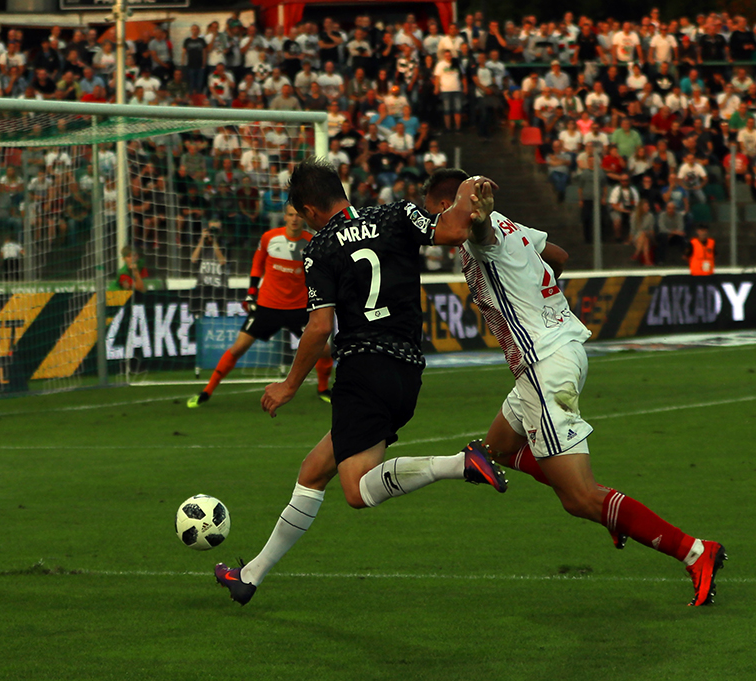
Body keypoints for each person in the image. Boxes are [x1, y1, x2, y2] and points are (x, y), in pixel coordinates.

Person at [422, 168, 726, 607]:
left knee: (580, 497)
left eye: (434, 213)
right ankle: (613, 511)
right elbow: (558, 256)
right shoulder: (512, 225)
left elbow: (481, 233)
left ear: (449, 205)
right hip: (559, 351)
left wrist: (478, 219)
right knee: (498, 449)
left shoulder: (479, 232)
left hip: (544, 365)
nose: (432, 224)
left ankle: (695, 551)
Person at [215, 159, 507, 605]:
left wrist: (289, 385)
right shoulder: (396, 213)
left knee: (356, 490)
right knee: (314, 471)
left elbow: (319, 327)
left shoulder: (319, 248)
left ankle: (459, 464)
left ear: (310, 210)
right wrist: (469, 190)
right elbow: (452, 231)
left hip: (363, 370)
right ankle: (249, 576)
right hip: (407, 370)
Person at [188, 203, 333, 408]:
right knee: (238, 348)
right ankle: (206, 391)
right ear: (284, 217)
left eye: (298, 215)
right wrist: (251, 293)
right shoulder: (269, 238)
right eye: (290, 215)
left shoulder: (312, 242)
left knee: (324, 350)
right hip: (268, 306)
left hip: (298, 308)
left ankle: (323, 389)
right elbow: (257, 264)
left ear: (303, 218)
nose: (294, 219)